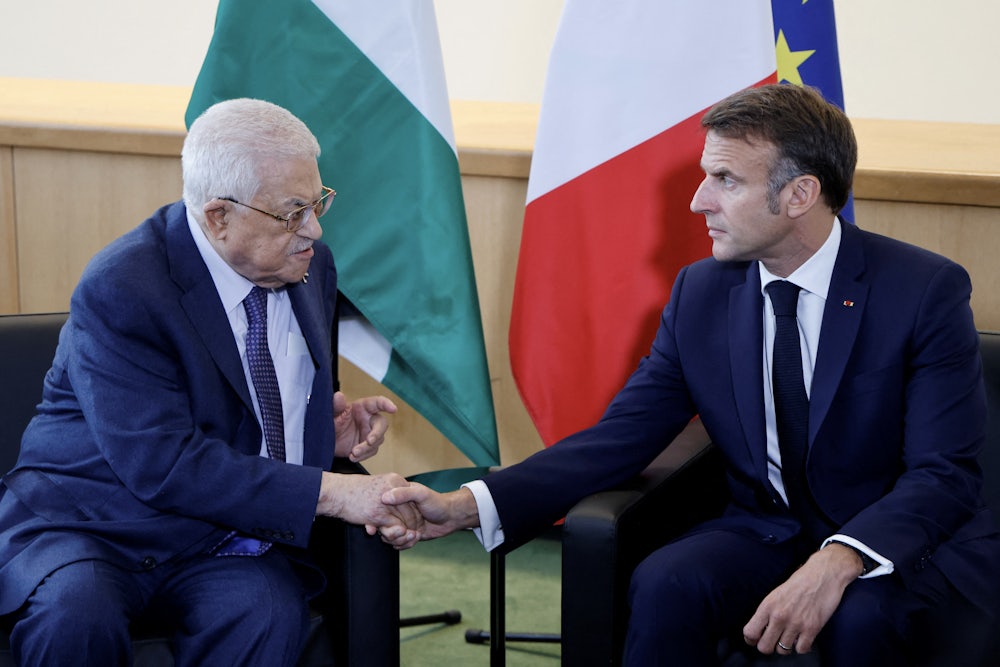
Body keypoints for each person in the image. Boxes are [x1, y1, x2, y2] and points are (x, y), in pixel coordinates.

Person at [384, 84, 1000, 665]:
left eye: (725, 180)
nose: (698, 200)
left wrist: (841, 559)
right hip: (769, 529)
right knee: (667, 581)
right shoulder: (701, 292)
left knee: (862, 616)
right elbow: (621, 438)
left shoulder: (922, 291)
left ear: (799, 195)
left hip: (898, 541)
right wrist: (467, 505)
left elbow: (944, 473)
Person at [0, 98, 421, 665]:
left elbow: (247, 397)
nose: (314, 229)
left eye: (318, 201)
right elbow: (162, 462)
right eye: (293, 212)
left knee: (266, 611)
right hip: (94, 524)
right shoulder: (124, 286)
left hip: (218, 533)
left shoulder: (309, 265)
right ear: (219, 216)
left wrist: (319, 432)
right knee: (75, 615)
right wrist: (333, 491)